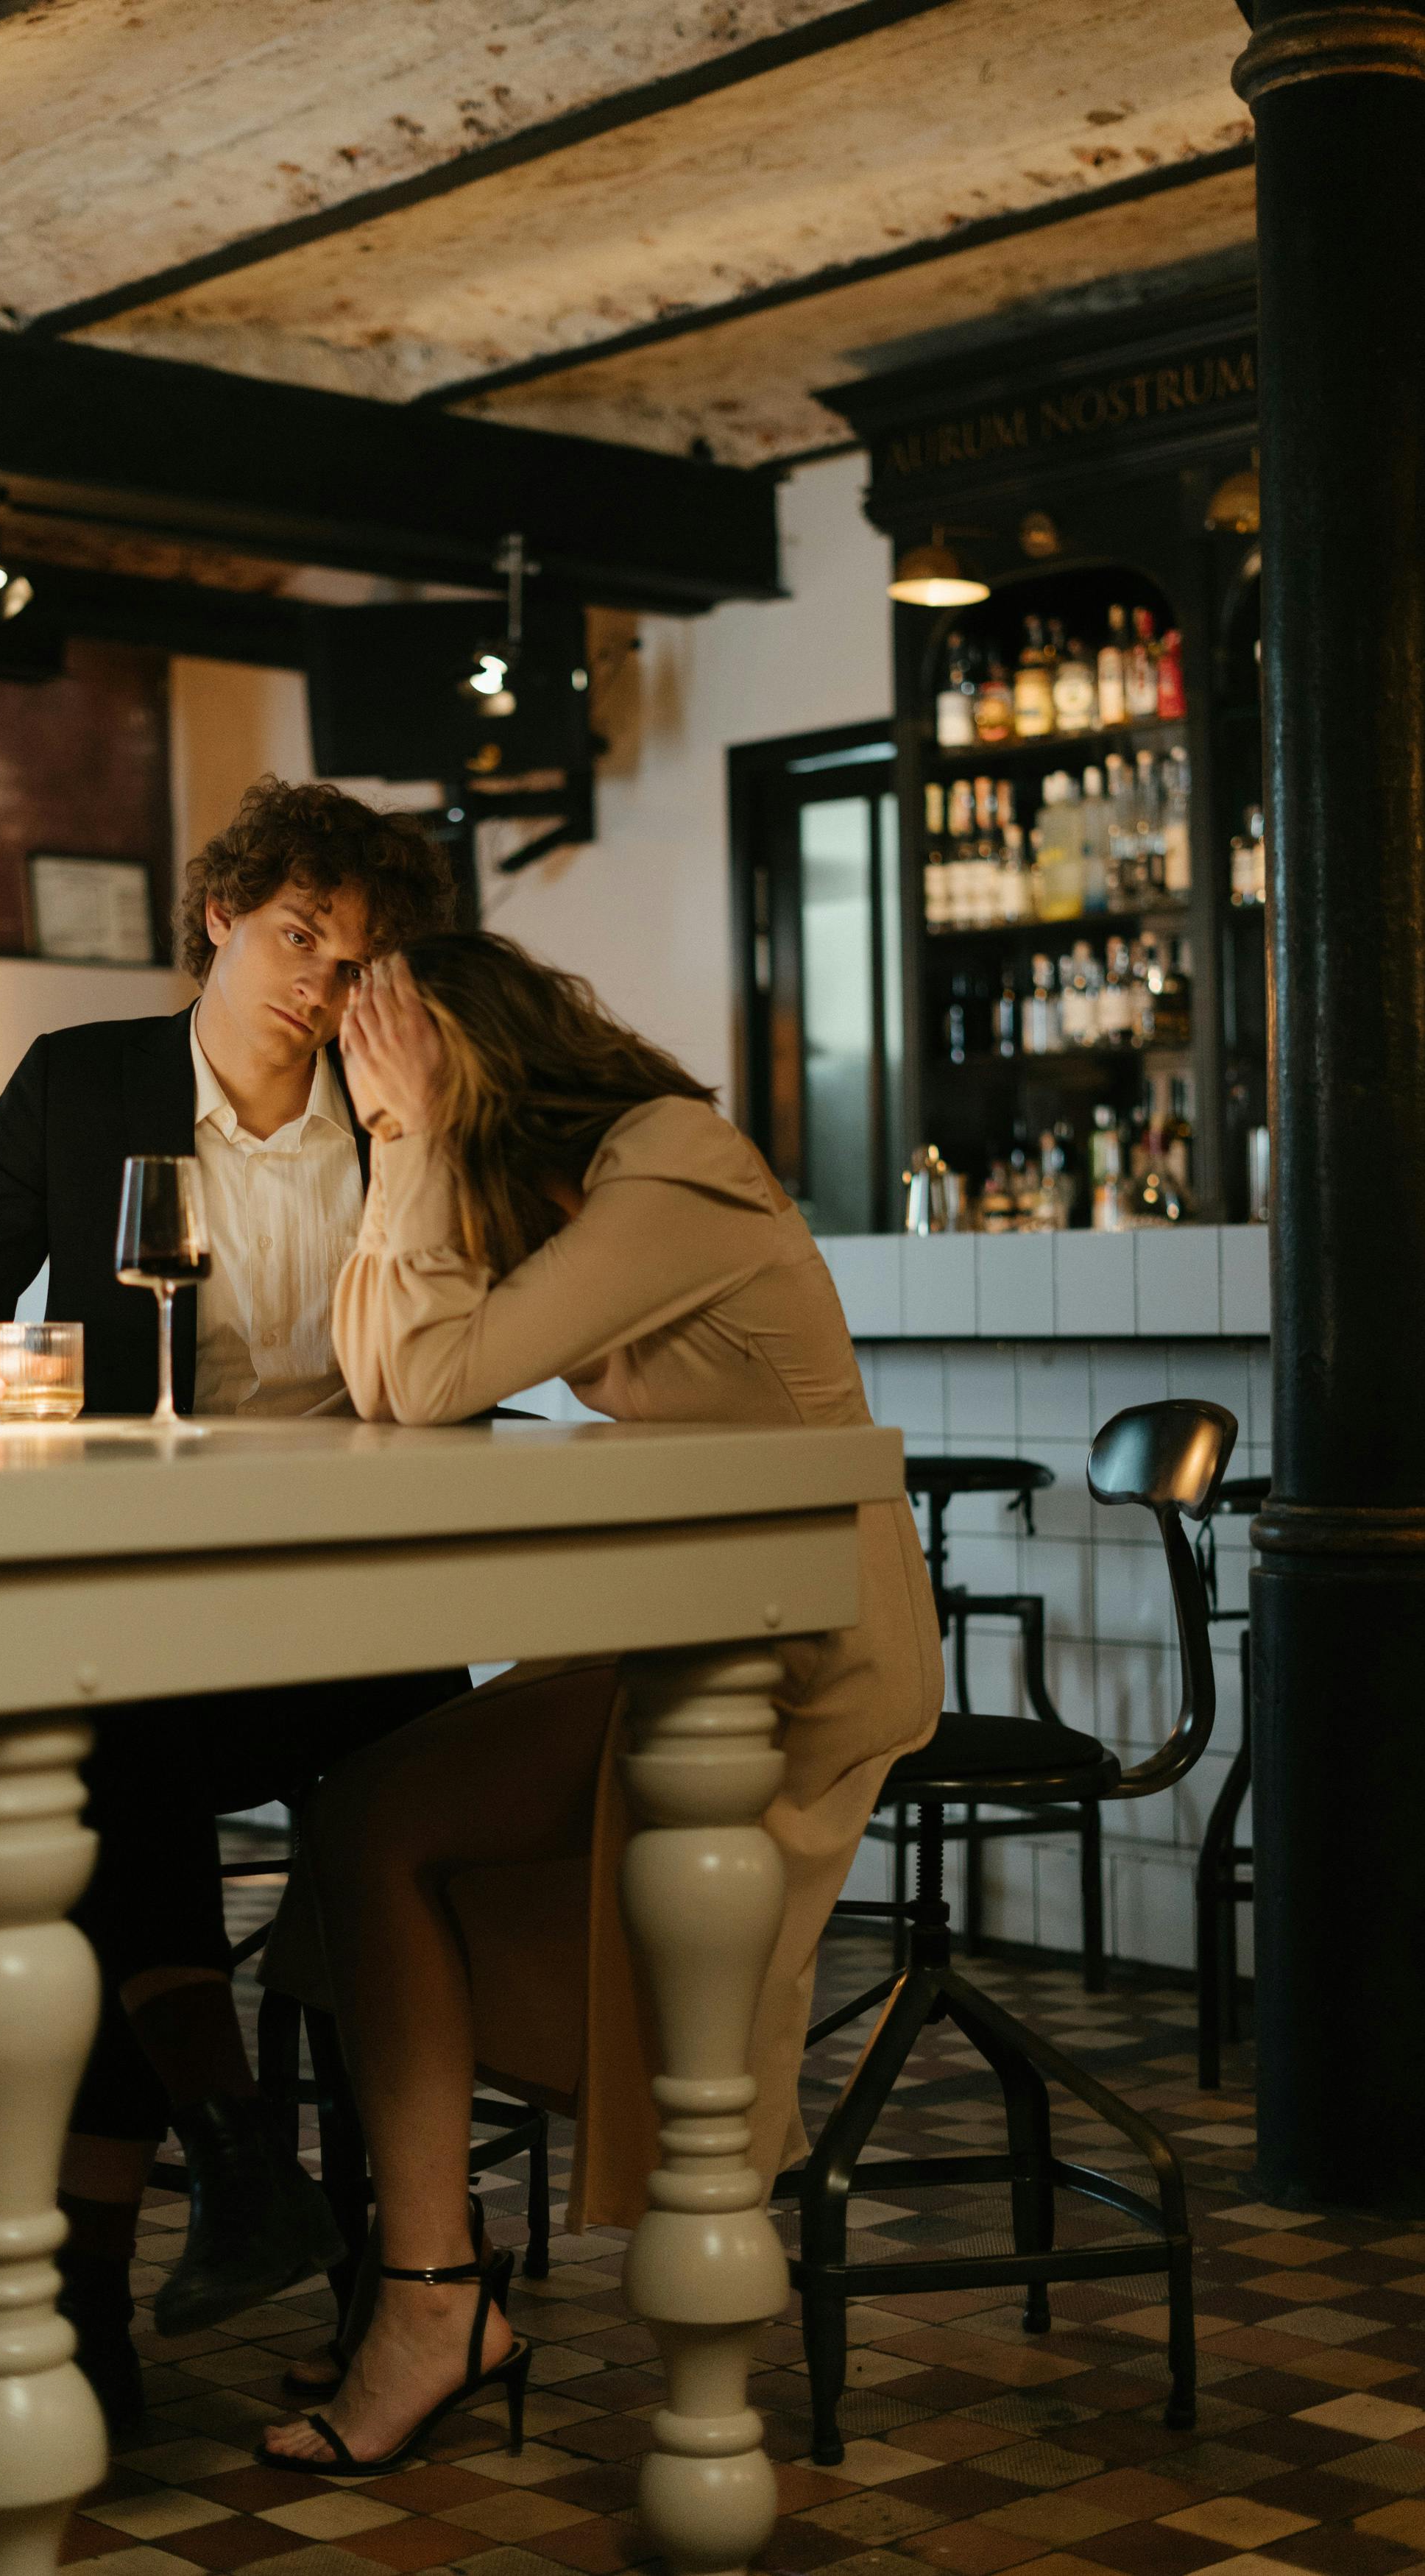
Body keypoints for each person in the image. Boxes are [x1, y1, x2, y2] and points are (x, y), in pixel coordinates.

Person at [256, 932, 942, 2475]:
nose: (373, 1101)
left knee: (386, 1826)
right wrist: (396, 1146)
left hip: (798, 1638)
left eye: (386, 1071)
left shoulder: (674, 1164)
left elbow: (426, 1384)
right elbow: (387, 1374)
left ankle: (436, 2306)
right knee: (370, 1816)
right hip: (680, 1622)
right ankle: (433, 2293)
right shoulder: (577, 1185)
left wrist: (415, 1137)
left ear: (471, 1062)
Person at [0, 779, 465, 2428]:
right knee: (110, 1757)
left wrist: (416, 1137)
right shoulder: (85, 1085)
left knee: (124, 1785)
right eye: (294, 937)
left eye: (353, 964)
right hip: (155, 1595)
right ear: (220, 913)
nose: (317, 988)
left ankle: (136, 2274)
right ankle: (237, 2167)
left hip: (366, 1607)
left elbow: (469, 1344)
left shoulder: (402, 1106)